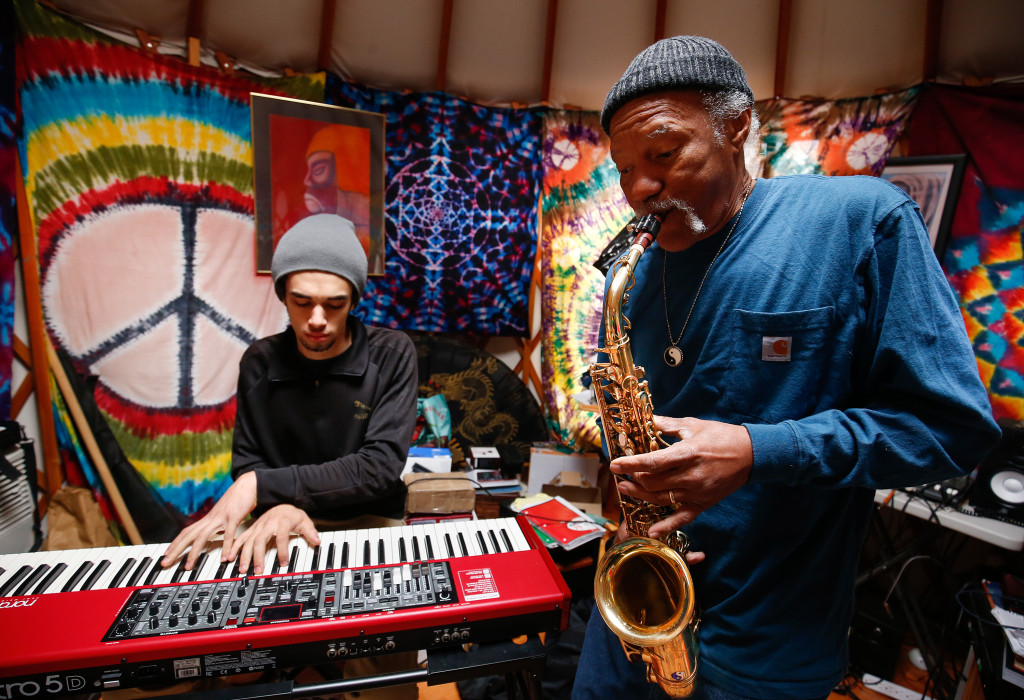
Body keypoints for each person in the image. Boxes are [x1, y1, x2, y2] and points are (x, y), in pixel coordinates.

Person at [571, 36, 1001, 700]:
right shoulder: (633, 269)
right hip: (634, 612)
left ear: (737, 126)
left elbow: (951, 429)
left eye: (662, 155)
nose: (640, 190)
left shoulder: (861, 221)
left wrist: (760, 449)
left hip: (768, 643)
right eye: (624, 169)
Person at [162, 213, 419, 699]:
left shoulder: (392, 353)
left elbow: (380, 466)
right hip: (277, 525)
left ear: (354, 301)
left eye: (334, 305)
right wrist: (279, 501)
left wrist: (267, 488)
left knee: (380, 679)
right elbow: (249, 461)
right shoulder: (259, 360)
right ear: (282, 295)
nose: (317, 320)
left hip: (367, 525)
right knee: (247, 662)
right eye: (301, 303)